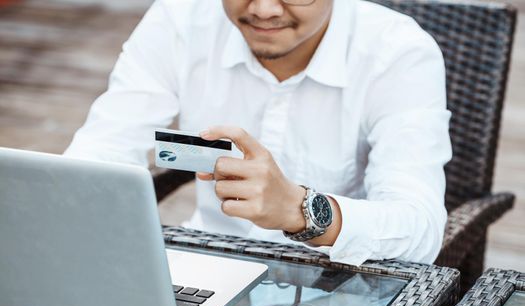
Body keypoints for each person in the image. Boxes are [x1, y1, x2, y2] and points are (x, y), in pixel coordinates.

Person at [64, 0, 452, 266]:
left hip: (342, 283)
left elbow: (421, 230)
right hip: (206, 263)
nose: (264, 9)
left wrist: (301, 211)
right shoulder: (179, 19)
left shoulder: (398, 53)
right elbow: (101, 151)